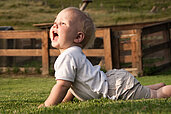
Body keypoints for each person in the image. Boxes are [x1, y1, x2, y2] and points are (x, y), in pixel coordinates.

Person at [38, 7, 171, 108]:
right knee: (140, 92)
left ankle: (161, 90)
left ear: (78, 37)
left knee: (157, 96)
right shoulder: (74, 53)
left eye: (62, 24)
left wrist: (47, 105)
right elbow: (72, 84)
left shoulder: (68, 56)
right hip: (112, 82)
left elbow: (62, 85)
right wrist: (66, 101)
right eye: (55, 22)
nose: (55, 26)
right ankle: (156, 86)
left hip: (115, 89)